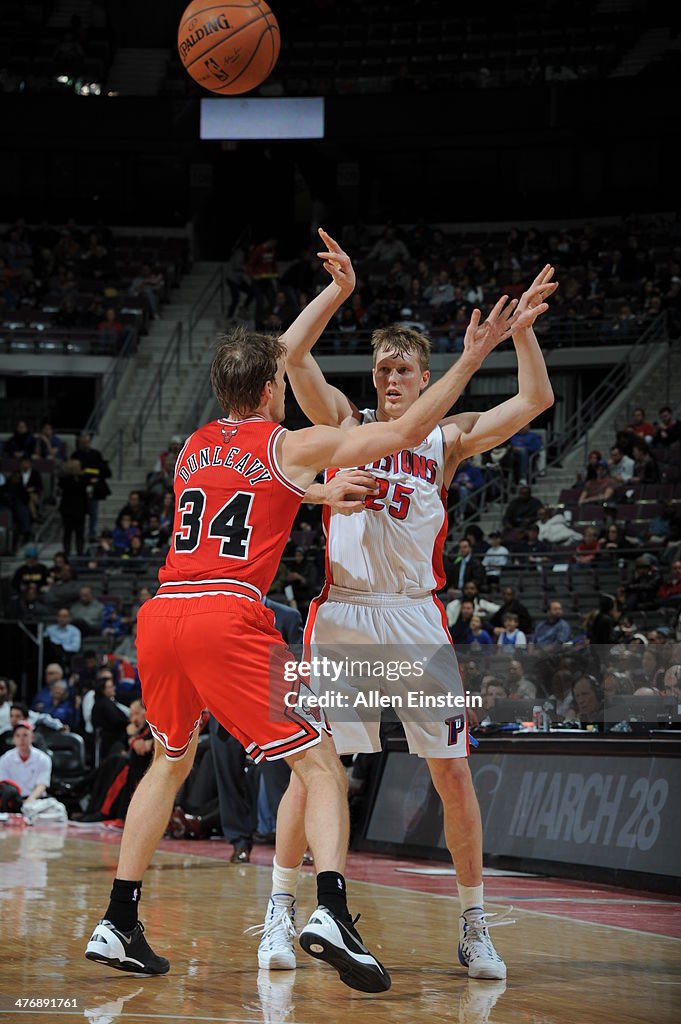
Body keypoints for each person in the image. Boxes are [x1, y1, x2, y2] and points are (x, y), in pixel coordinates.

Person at [84, 238, 531, 990]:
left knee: (168, 758)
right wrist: (471, 354)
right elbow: (374, 427)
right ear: (268, 394)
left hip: (164, 612)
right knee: (318, 763)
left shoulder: (197, 443)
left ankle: (118, 919)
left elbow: (271, 373)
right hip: (247, 614)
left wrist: (318, 488)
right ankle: (325, 908)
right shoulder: (295, 438)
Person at [254, 234, 555, 982]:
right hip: (344, 614)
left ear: (426, 377)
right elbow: (291, 361)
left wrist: (520, 336)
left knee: (450, 771)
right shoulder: (345, 423)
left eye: (404, 370)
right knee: (311, 767)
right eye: (384, 368)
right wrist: (338, 293)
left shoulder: (446, 438)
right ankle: (279, 914)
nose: (391, 378)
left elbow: (535, 400)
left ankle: (473, 924)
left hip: (417, 616)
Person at [0, 719, 52, 804]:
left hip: (37, 800)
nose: (21, 739)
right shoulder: (5, 759)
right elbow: (4, 784)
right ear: (13, 739)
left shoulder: (43, 759)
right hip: (13, 801)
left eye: (25, 735)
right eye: (18, 736)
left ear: (32, 737)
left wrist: (29, 801)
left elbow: (42, 785)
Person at [71, 433, 111, 542]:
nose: (85, 444)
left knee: (93, 511)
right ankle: (80, 533)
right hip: (80, 488)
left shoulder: (96, 454)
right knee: (81, 513)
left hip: (94, 487)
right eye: (83, 442)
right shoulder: (76, 455)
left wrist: (97, 478)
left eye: (87, 442)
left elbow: (103, 469)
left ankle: (92, 533)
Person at [58, 458, 88, 556]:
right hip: (68, 509)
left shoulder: (83, 478)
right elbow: (71, 487)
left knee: (80, 533)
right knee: (68, 532)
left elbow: (84, 490)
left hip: (80, 509)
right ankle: (67, 552)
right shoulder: (64, 479)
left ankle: (80, 552)